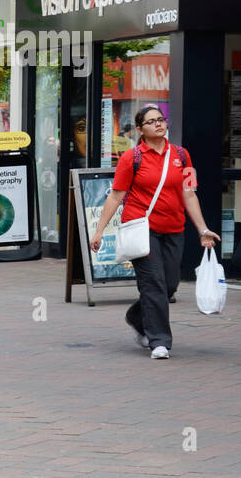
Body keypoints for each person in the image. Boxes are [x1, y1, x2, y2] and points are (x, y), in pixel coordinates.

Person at [89, 104, 220, 359]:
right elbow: (116, 196)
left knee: (169, 284)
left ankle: (136, 316)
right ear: (140, 129)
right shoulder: (132, 158)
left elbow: (189, 193)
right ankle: (159, 341)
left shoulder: (182, 155)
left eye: (161, 119)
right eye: (151, 121)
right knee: (154, 283)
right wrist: (99, 231)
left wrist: (203, 229)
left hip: (173, 228)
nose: (159, 124)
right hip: (143, 230)